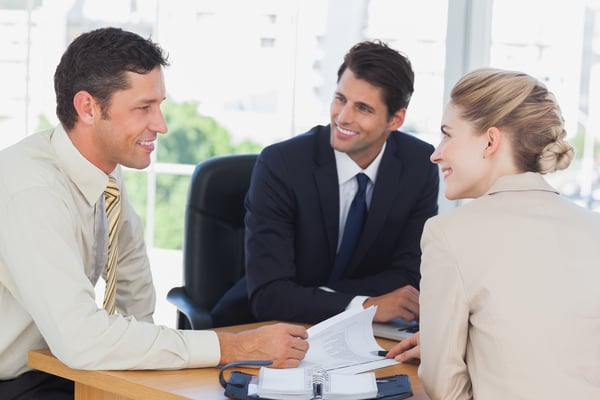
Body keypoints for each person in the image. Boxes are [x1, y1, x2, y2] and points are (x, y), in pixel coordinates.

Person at [0, 27, 308, 399]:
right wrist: (234, 347)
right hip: (20, 380)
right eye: (143, 108)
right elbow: (81, 339)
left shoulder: (104, 172)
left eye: (159, 105)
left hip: (60, 366)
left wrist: (148, 363)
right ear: (88, 108)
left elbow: (133, 286)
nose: (160, 125)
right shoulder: (32, 191)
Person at [389, 68, 600, 399]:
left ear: (490, 140)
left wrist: (442, 352)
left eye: (447, 134)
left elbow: (444, 389)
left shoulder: (448, 234)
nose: (436, 153)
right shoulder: (594, 229)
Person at [213, 40, 439, 326]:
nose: (343, 117)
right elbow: (270, 295)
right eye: (340, 99)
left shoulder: (418, 165)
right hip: (263, 328)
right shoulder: (282, 164)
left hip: (365, 336)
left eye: (363, 109)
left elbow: (407, 278)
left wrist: (314, 298)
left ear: (395, 119)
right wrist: (365, 306)